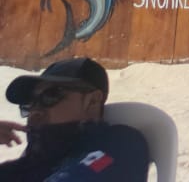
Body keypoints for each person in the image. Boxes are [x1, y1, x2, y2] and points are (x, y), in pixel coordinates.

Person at [0, 58, 148, 181]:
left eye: (50, 96)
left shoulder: (121, 144)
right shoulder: (33, 164)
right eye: (29, 104)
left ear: (92, 101)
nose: (35, 111)